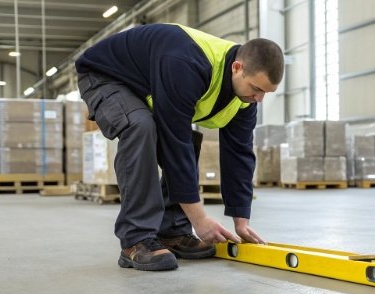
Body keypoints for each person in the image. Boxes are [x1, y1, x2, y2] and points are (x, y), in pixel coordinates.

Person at [75, 23, 284, 272]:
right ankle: (136, 240)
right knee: (140, 126)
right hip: (104, 75)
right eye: (257, 89)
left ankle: (171, 232)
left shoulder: (246, 98)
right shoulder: (187, 62)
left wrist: (241, 219)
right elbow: (175, 142)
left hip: (146, 82)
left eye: (266, 93)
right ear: (237, 68)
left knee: (187, 140)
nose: (258, 99)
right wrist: (200, 220)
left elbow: (239, 154)